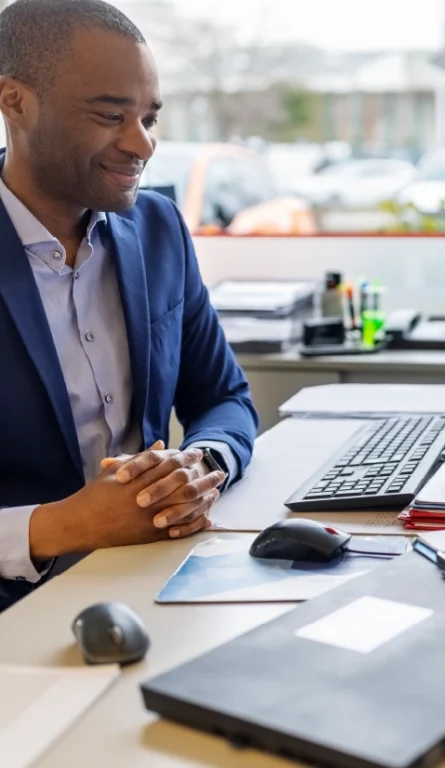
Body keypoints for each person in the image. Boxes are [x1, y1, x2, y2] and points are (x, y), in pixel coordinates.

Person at [0, 0, 258, 612]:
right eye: (111, 115)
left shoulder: (159, 228)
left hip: (152, 577)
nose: (140, 144)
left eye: (149, 116)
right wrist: (62, 526)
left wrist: (201, 465)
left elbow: (223, 398)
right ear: (13, 101)